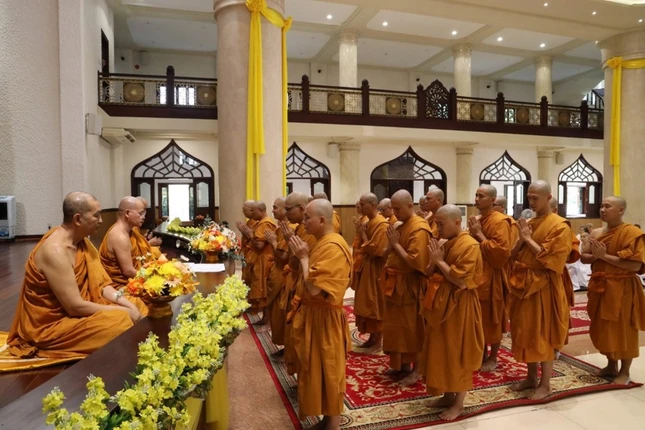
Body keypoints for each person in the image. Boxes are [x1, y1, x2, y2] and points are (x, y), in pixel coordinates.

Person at [7, 192, 144, 360]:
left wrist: (128, 306)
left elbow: (103, 286)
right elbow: (74, 307)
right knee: (120, 322)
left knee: (137, 303)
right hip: (54, 325)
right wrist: (123, 311)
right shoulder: (55, 251)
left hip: (82, 311)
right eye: (96, 215)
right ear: (78, 219)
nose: (101, 220)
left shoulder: (82, 242)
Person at [288, 199, 352, 430]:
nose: (303, 222)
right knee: (316, 370)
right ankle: (326, 419)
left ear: (322, 220)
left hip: (326, 319)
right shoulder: (321, 242)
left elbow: (315, 288)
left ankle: (333, 424)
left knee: (329, 370)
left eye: (307, 217)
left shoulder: (333, 246)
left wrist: (304, 258)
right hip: (314, 315)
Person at [508, 181, 573, 400]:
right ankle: (531, 378)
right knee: (526, 330)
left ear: (548, 197)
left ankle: (545, 384)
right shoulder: (529, 222)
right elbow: (512, 255)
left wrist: (527, 239)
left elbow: (552, 261)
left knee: (543, 333)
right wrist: (521, 240)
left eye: (536, 198)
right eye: (529, 197)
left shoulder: (560, 226)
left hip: (545, 286)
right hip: (524, 284)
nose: (531, 202)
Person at [420, 205, 484, 421]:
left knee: (459, 352)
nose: (437, 228)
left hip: (460, 306)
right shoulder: (443, 241)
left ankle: (459, 403)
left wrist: (439, 260)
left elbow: (461, 281)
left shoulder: (470, 245)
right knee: (442, 351)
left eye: (441, 224)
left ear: (457, 222)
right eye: (436, 224)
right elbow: (428, 272)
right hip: (439, 303)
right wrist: (434, 259)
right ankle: (447, 395)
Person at [581, 196, 645, 384]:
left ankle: (625, 371)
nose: (602, 209)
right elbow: (584, 257)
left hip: (623, 288)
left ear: (621, 210)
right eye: (601, 206)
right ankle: (611, 365)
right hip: (600, 287)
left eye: (607, 206)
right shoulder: (596, 233)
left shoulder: (632, 233)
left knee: (624, 329)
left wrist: (604, 256)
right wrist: (596, 256)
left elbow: (634, 265)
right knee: (604, 328)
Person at [381, 190, 432, 385]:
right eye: (392, 209)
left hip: (410, 286)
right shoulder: (400, 225)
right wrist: (390, 245)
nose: (395, 213)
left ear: (410, 205)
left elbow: (417, 263)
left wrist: (395, 244)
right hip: (395, 285)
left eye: (398, 209)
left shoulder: (419, 228)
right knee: (397, 328)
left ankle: (417, 369)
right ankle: (401, 364)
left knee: (413, 329)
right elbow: (386, 253)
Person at [468, 185, 512, 372]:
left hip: (492, 275)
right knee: (477, 318)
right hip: (475, 274)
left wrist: (478, 233)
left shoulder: (500, 221)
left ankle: (493, 356)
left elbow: (501, 253)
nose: (477, 199)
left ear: (493, 200)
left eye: (481, 196)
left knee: (493, 318)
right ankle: (480, 354)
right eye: (476, 195)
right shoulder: (477, 219)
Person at [279, 192, 317, 375]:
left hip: (307, 285)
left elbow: (302, 259)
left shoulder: (313, 234)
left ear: (302, 208)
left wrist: (287, 240)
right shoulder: (300, 228)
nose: (285, 214)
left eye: (288, 209)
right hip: (297, 279)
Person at [353, 193, 389, 351]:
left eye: (363, 204)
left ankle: (377, 341)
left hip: (376, 270)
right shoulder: (368, 221)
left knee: (375, 304)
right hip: (366, 267)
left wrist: (362, 234)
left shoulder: (382, 224)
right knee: (366, 302)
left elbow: (378, 251)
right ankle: (371, 337)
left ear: (373, 205)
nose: (360, 207)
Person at [264, 197, 295, 356]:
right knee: (277, 312)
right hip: (277, 272)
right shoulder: (282, 227)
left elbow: (283, 257)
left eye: (276, 207)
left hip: (284, 275)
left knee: (283, 313)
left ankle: (289, 349)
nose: (273, 210)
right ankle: (285, 346)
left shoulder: (291, 229)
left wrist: (274, 242)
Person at [99, 197, 152, 288]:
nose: (143, 217)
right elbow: (128, 271)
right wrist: (153, 278)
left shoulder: (129, 231)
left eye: (144, 213)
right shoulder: (120, 236)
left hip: (134, 278)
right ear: (127, 213)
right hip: (121, 286)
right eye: (140, 213)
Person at [245, 202, 276, 321]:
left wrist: (250, 235)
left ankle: (266, 318)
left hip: (264, 260)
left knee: (264, 289)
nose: (251, 214)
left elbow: (259, 245)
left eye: (253, 211)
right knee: (261, 288)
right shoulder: (261, 222)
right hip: (260, 259)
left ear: (261, 210)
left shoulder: (265, 223)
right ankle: (265, 317)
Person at [236, 200, 257, 286]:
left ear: (251, 209)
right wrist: (243, 232)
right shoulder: (249, 222)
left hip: (253, 255)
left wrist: (248, 234)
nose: (243, 211)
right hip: (247, 253)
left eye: (244, 209)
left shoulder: (258, 222)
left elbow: (257, 241)